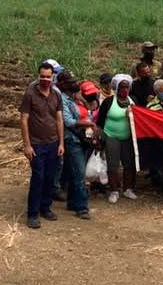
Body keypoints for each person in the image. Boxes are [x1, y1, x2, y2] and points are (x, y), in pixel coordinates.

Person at [20, 63, 65, 229]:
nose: (46, 79)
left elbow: (59, 120)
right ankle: (32, 214)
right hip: (37, 145)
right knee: (38, 177)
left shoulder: (56, 95)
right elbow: (24, 120)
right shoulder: (30, 94)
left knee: (50, 177)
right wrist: (27, 145)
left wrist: (61, 143)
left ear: (53, 77)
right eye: (43, 76)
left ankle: (45, 208)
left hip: (53, 144)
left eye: (48, 76)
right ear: (38, 76)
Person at [58, 72, 94, 220]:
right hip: (71, 139)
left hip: (77, 138)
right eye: (70, 82)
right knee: (80, 173)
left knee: (74, 172)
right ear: (62, 84)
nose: (74, 84)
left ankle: (73, 202)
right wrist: (89, 124)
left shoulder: (72, 98)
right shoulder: (62, 99)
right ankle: (82, 207)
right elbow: (68, 121)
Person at [97, 74, 137, 204]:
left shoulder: (133, 101)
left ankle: (127, 189)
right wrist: (100, 137)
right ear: (117, 88)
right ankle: (114, 190)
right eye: (122, 87)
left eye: (127, 87)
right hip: (111, 136)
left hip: (128, 137)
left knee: (129, 164)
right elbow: (100, 121)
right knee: (113, 165)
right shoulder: (109, 102)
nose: (124, 90)